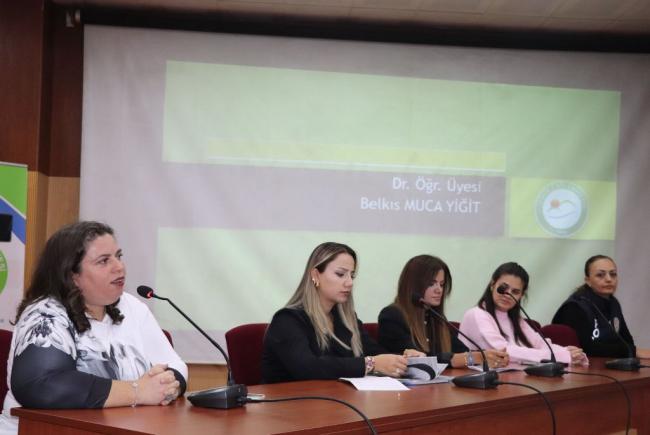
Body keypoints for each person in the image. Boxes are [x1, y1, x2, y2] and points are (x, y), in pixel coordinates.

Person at [0, 221, 187, 435]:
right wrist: (138, 391)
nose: (119, 267)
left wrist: (167, 388)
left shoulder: (132, 307)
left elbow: (175, 365)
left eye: (118, 256)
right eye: (104, 261)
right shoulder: (45, 314)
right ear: (72, 275)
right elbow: (42, 385)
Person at [262, 242, 419, 383]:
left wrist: (403, 358)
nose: (349, 282)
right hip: (290, 403)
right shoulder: (287, 320)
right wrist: (370, 364)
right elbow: (307, 367)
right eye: (340, 274)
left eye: (352, 275)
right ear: (315, 275)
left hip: (336, 401)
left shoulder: (347, 319)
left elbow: (376, 353)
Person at [378, 255, 508, 369]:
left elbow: (461, 351)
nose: (439, 290)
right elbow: (419, 359)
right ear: (413, 285)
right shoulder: (392, 316)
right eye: (432, 283)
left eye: (441, 284)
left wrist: (489, 356)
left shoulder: (435, 316)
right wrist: (472, 358)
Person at [460, 262, 588, 366]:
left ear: (521, 295)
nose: (508, 295)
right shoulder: (476, 314)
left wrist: (568, 352)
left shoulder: (514, 318)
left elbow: (539, 343)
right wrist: (561, 356)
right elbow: (504, 352)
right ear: (492, 285)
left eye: (515, 292)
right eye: (503, 288)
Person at [552, 255, 650, 359]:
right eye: (600, 275)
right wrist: (633, 351)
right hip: (579, 366)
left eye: (613, 274)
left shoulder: (613, 303)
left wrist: (632, 351)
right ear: (588, 281)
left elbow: (626, 340)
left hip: (609, 364)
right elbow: (586, 349)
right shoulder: (574, 307)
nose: (609, 279)